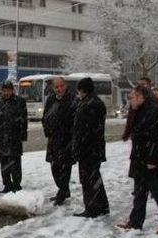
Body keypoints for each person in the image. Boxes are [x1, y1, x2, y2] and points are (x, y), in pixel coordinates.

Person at [117, 86, 158, 234]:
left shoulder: (154, 112)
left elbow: (156, 138)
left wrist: (152, 160)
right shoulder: (138, 111)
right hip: (139, 159)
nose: (130, 100)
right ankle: (136, 222)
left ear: (141, 97)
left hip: (151, 161)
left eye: (133, 97)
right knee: (139, 193)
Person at [72, 77, 110, 218]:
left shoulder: (92, 104)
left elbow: (86, 130)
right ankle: (102, 206)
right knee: (94, 178)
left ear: (84, 90)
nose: (78, 93)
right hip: (92, 148)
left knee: (88, 179)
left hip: (89, 149)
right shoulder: (90, 102)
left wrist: (79, 147)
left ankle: (92, 207)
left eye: (79, 90)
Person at [42, 77, 75, 205]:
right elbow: (45, 116)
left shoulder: (72, 99)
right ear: (53, 88)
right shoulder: (51, 99)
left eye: (61, 86)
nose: (59, 89)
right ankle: (64, 189)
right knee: (54, 166)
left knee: (65, 168)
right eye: (56, 87)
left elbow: (75, 120)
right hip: (53, 138)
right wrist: (47, 130)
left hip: (67, 139)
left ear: (65, 85)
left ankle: (62, 192)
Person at [0, 81, 28, 194]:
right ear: (1, 91)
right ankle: (7, 184)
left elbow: (23, 119)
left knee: (15, 162)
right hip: (2, 136)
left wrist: (23, 134)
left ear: (12, 90)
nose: (6, 92)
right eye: (4, 90)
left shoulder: (19, 101)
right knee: (4, 162)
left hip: (15, 136)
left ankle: (17, 184)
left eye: (8, 90)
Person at [122, 77, 158, 141]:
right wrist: (127, 132)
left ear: (149, 85)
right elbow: (131, 117)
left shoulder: (156, 99)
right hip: (137, 135)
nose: (140, 86)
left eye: (143, 84)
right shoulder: (135, 99)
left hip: (150, 136)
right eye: (139, 84)